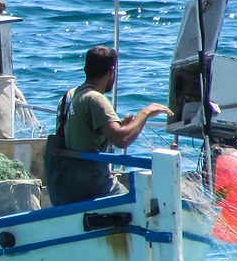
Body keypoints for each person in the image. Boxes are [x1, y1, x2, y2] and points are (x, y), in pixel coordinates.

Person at [49, 45, 172, 204]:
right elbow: (122, 139)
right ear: (112, 71)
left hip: (63, 187)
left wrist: (120, 124)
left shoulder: (68, 97)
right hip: (91, 187)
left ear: (86, 68)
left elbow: (80, 134)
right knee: (140, 205)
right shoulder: (95, 99)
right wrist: (145, 113)